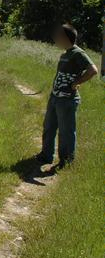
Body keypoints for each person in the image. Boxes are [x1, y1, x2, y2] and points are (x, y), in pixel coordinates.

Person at [36, 24, 98, 167]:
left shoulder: (78, 53)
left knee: (66, 132)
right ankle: (46, 156)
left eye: (58, 35)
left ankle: (66, 162)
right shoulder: (65, 54)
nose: (55, 38)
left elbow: (93, 70)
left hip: (67, 100)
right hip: (55, 97)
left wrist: (77, 82)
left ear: (65, 37)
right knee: (49, 127)